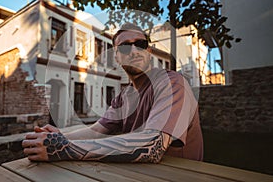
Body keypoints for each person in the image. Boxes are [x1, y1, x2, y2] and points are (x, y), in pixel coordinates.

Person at [22, 23, 203, 163]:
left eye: (140, 44)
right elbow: (96, 131)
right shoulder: (124, 97)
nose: (134, 51)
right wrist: (58, 136)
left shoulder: (172, 83)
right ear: (116, 57)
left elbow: (152, 145)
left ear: (148, 51)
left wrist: (62, 147)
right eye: (125, 47)